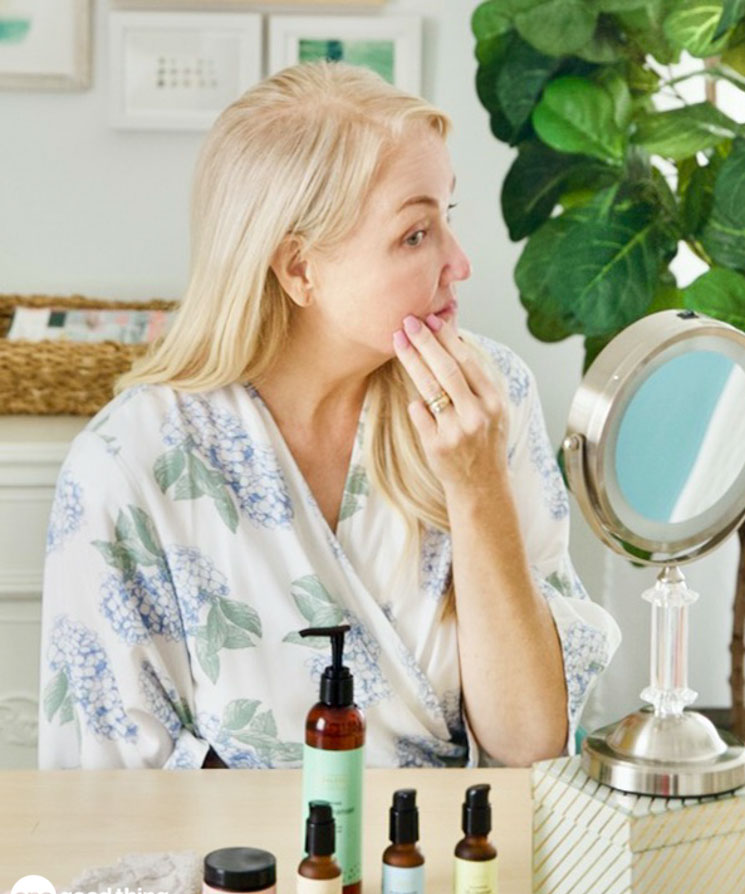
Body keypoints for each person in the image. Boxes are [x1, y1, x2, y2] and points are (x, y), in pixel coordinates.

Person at [38, 61, 620, 770]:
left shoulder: (489, 398)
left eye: (447, 218)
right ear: (299, 269)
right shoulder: (129, 465)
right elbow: (106, 789)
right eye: (415, 234)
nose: (459, 263)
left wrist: (476, 487)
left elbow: (530, 743)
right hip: (238, 877)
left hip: (460, 863)